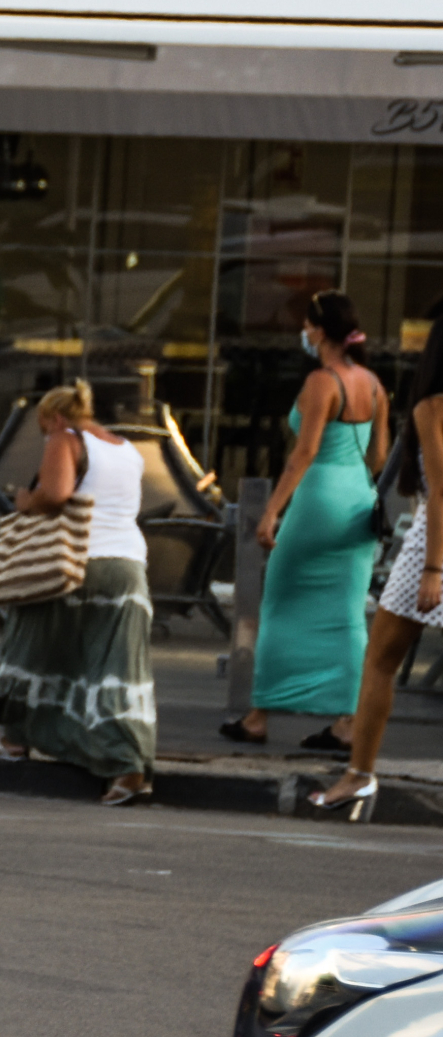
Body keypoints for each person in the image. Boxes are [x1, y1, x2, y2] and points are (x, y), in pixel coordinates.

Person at [222, 289, 387, 747]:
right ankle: (348, 723)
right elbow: (379, 454)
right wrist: (355, 484)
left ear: (320, 330)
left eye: (308, 324)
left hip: (318, 501)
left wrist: (271, 511)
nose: (304, 332)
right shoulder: (373, 384)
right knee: (347, 613)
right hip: (358, 499)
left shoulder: (321, 381)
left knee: (280, 603)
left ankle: (258, 717)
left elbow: (304, 453)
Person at [0, 380, 156, 805]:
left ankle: (15, 738)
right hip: (128, 568)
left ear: (56, 418)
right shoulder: (128, 449)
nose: (46, 436)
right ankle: (128, 770)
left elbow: (55, 494)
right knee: (116, 669)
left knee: (30, 644)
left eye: (44, 428)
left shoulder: (66, 438)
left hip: (76, 563)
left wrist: (26, 500)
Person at [307, 304, 443, 814]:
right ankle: (357, 774)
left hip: (436, 541)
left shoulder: (433, 404)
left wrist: (433, 568)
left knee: (380, 659)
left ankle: (359, 775)